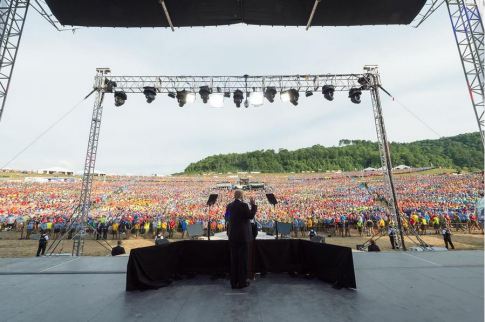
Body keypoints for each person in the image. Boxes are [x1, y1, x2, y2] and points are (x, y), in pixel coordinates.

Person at [226, 190, 257, 289]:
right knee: (242, 260)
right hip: (243, 237)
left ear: (235, 196)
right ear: (241, 196)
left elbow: (226, 217)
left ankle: (233, 283)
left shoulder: (229, 206)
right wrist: (253, 205)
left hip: (232, 236)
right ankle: (242, 282)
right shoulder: (244, 205)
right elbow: (251, 216)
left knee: (234, 260)